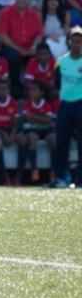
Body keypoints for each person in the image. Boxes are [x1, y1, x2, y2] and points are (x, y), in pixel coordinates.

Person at [51, 27, 82, 188]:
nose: (76, 44)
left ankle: (80, 180)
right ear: (69, 42)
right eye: (73, 41)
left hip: (81, 104)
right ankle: (61, 178)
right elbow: (56, 83)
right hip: (65, 105)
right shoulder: (61, 61)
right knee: (62, 142)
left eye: (79, 42)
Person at [0, 0, 43, 92]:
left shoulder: (35, 14)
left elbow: (39, 35)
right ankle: (16, 87)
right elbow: (2, 36)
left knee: (43, 52)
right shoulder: (5, 13)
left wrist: (34, 46)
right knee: (13, 56)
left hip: (29, 48)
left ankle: (40, 86)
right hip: (11, 47)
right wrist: (19, 50)